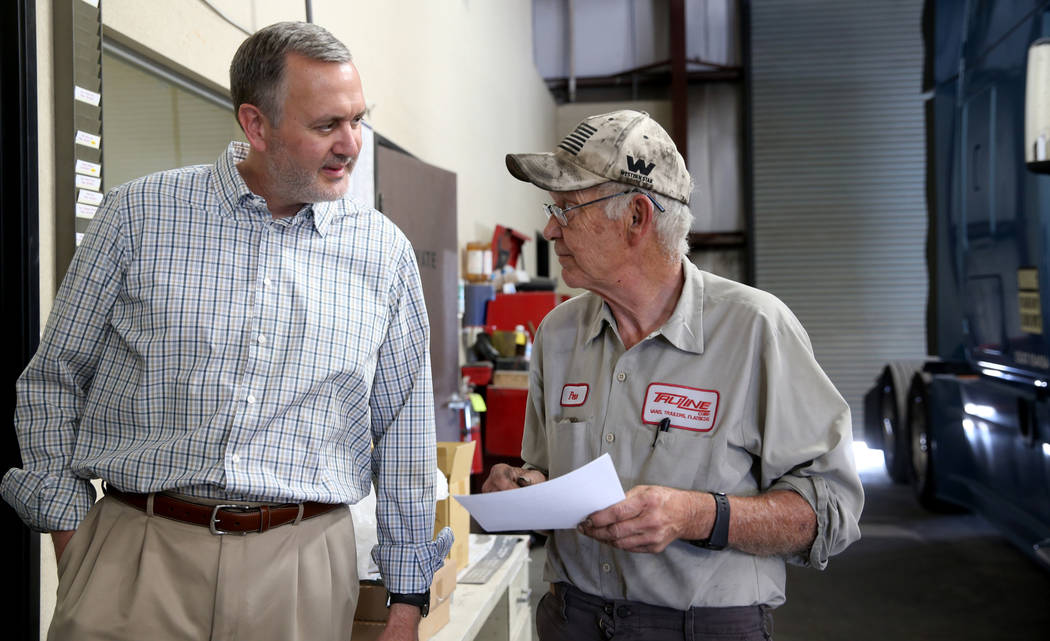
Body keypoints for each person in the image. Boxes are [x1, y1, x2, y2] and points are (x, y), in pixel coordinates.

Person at [2, 21, 449, 641]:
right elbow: (54, 381)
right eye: (327, 126)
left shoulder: (384, 254)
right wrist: (74, 541)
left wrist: (406, 599)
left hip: (303, 571)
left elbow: (404, 435)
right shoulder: (137, 217)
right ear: (256, 125)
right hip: (136, 556)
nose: (351, 144)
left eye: (358, 120)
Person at [483, 110, 864, 641]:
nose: (550, 229)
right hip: (570, 621)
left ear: (637, 217)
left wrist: (697, 516)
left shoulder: (755, 329)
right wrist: (523, 487)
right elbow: (547, 474)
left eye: (567, 209)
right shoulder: (558, 333)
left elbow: (832, 509)